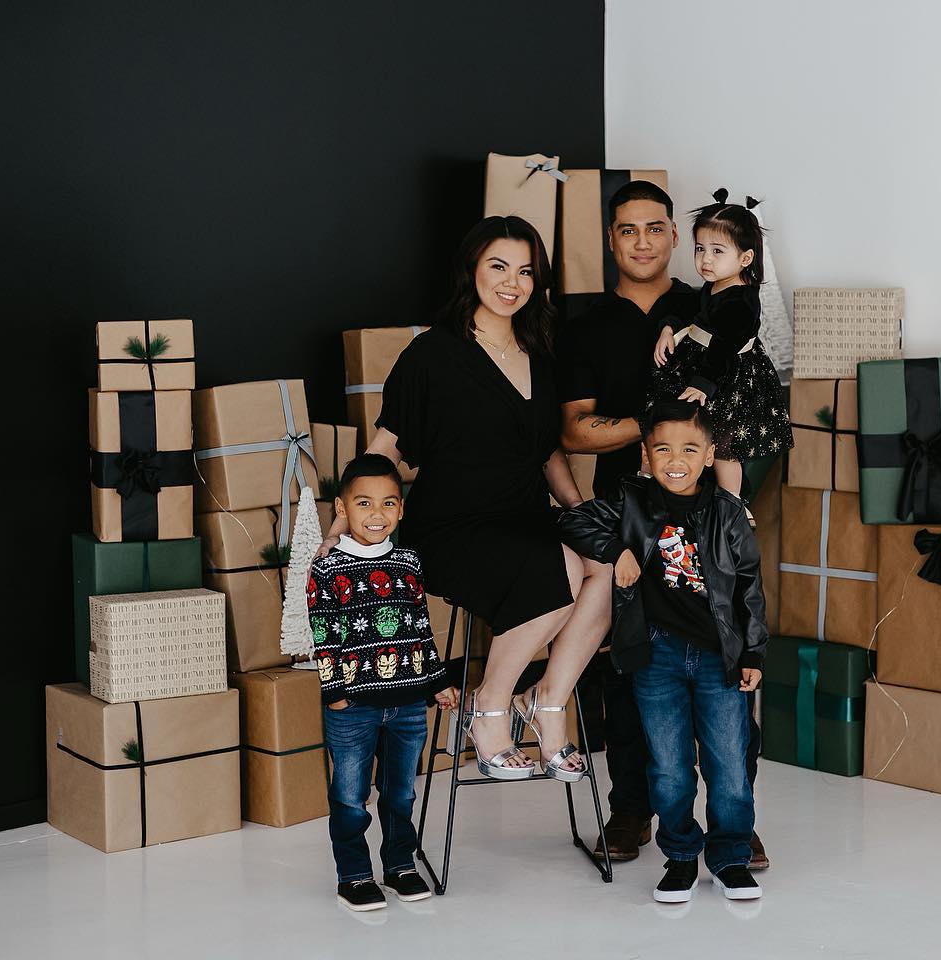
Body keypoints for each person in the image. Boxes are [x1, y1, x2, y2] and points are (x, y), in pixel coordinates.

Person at [323, 215, 611, 785]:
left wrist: (580, 515)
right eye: (498, 267)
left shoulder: (540, 351)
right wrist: (345, 522)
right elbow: (388, 448)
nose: (513, 283)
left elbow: (547, 452)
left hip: (525, 516)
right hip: (453, 526)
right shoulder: (433, 354)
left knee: (606, 565)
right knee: (560, 572)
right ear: (471, 272)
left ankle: (549, 699)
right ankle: (490, 706)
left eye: (526, 271)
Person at [559, 181, 769, 869]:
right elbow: (576, 432)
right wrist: (657, 435)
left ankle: (734, 815)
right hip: (628, 512)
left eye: (656, 227)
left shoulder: (708, 298)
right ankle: (631, 807)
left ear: (678, 240)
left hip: (707, 519)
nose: (643, 240)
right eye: (628, 230)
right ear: (611, 240)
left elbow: (739, 400)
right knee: (630, 665)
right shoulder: (585, 324)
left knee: (725, 651)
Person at [559, 400, 766, 903]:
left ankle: (731, 858)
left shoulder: (728, 512)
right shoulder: (630, 502)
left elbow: (749, 589)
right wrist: (617, 551)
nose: (676, 459)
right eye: (663, 449)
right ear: (645, 457)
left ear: (710, 455)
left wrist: (754, 653)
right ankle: (680, 859)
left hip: (720, 657)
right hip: (657, 657)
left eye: (690, 449)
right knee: (669, 767)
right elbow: (571, 522)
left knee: (729, 766)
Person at [312, 454, 460, 911]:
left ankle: (399, 866)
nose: (376, 515)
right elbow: (324, 631)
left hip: (409, 704)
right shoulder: (328, 567)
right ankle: (353, 876)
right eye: (364, 504)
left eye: (388, 504)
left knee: (400, 791)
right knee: (351, 796)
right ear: (342, 508)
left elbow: (420, 626)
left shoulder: (408, 562)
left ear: (400, 510)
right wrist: (334, 692)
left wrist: (436, 681)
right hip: (353, 703)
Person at [648, 188, 793, 501]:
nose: (705, 259)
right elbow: (687, 312)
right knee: (687, 432)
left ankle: (733, 501)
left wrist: (703, 384)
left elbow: (725, 348)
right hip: (705, 368)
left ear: (745, 258)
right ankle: (670, 487)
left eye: (717, 251)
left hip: (728, 378)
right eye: (700, 249)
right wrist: (668, 328)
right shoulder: (712, 286)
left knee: (725, 446)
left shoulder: (742, 301)